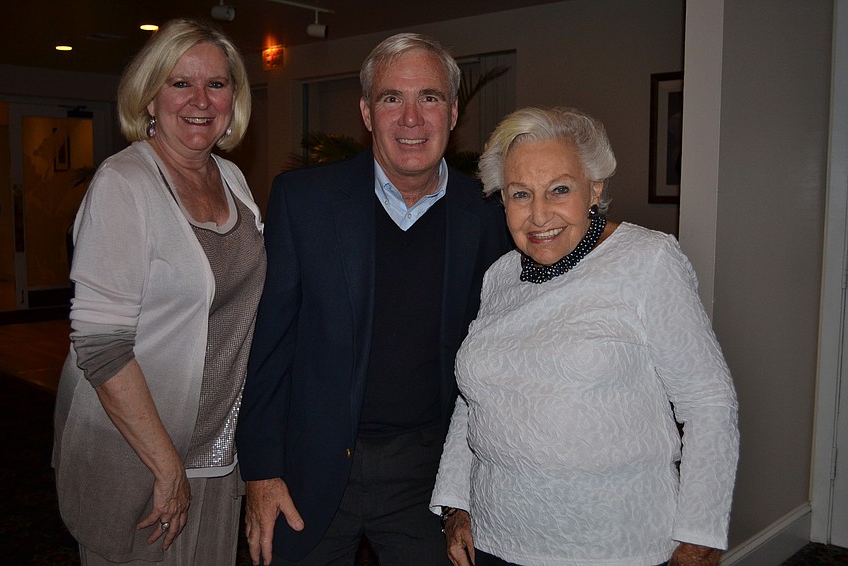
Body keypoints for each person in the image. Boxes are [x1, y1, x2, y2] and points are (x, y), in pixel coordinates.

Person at [235, 33, 512, 565]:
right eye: (392, 98)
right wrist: (262, 472)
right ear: (366, 112)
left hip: (429, 480)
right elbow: (270, 348)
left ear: (453, 112)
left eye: (429, 98)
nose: (411, 118)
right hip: (308, 471)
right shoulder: (304, 202)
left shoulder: (489, 214)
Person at [430, 107, 739, 566]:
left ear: (594, 189)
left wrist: (699, 541)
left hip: (616, 546)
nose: (538, 215)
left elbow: (709, 403)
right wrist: (456, 505)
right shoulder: (500, 276)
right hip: (495, 542)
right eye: (520, 194)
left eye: (559, 189)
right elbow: (473, 400)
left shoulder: (647, 260)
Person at [52, 18, 265, 565]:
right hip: (140, 458)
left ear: (233, 98)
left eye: (216, 84)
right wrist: (166, 466)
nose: (200, 100)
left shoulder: (232, 179)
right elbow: (101, 346)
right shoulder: (123, 185)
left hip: (216, 452)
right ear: (149, 98)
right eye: (179, 83)